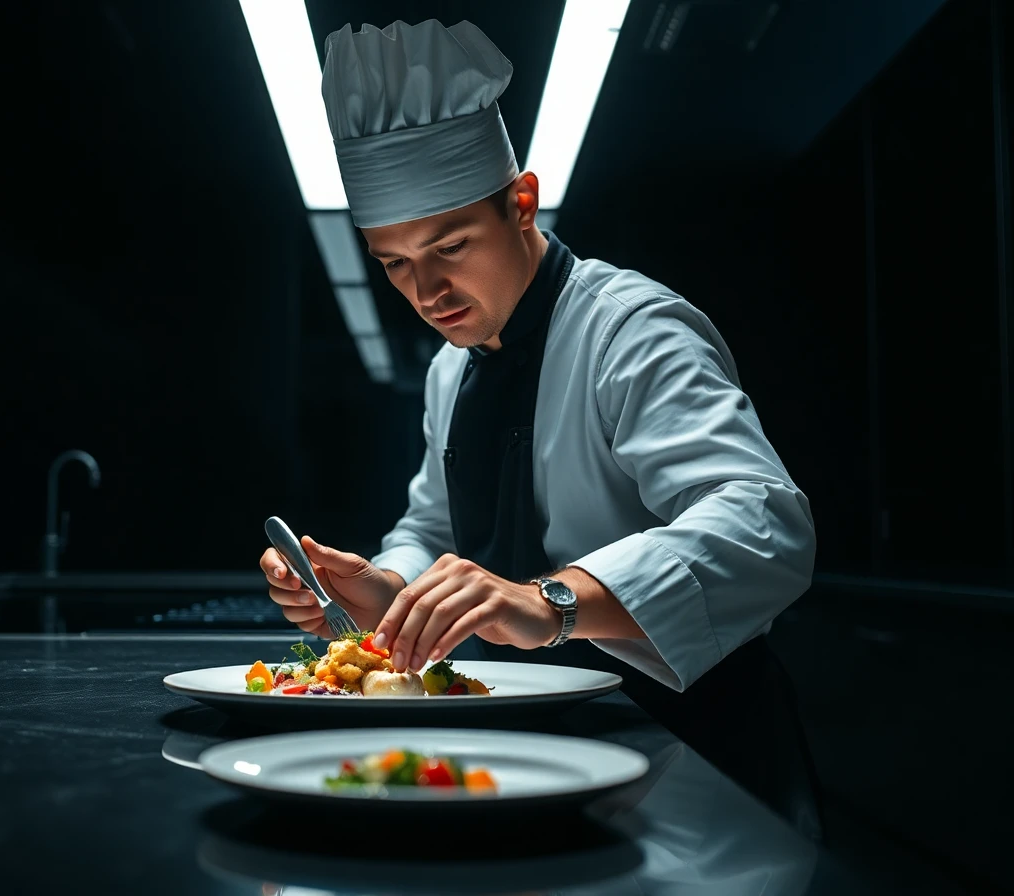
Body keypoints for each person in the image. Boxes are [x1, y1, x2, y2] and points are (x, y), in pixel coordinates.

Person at [259, 19, 821, 836]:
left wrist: (551, 601)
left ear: (522, 203)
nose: (427, 289)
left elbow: (767, 526)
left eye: (450, 245)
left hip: (693, 749)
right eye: (394, 262)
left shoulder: (630, 328)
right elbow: (434, 526)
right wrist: (388, 590)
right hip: (539, 752)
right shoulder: (451, 369)